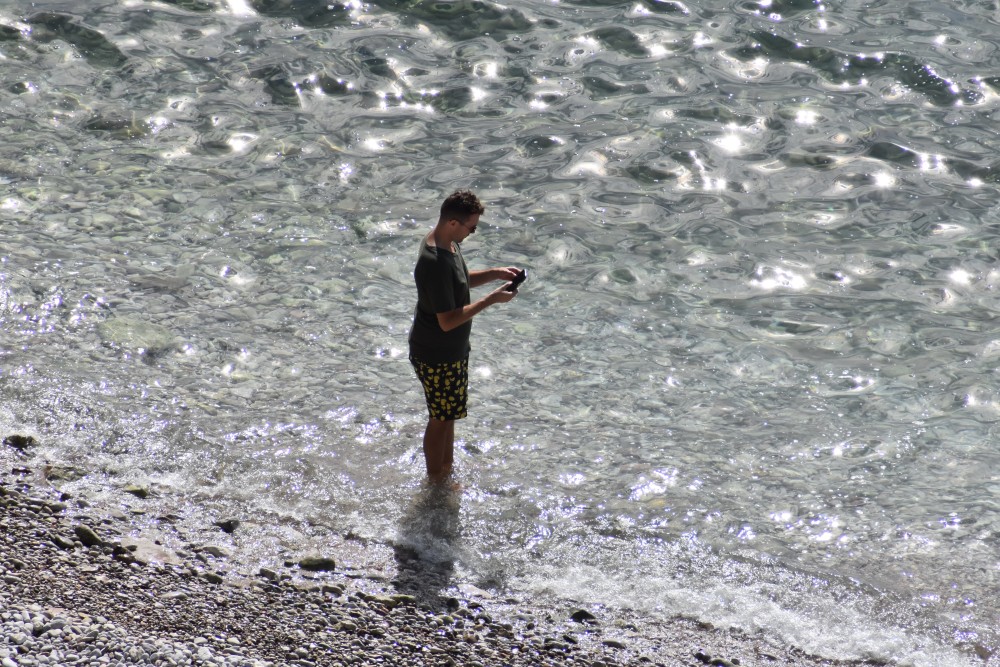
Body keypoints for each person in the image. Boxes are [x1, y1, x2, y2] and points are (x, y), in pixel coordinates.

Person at [408, 190, 521, 484]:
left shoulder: (449, 245)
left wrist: (495, 274)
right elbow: (447, 321)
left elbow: (459, 280)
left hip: (451, 350)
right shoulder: (433, 262)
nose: (473, 232)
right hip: (436, 352)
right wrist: (491, 300)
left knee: (448, 414)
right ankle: (435, 481)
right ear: (453, 223)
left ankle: (446, 471)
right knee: (440, 417)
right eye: (472, 227)